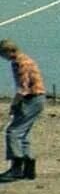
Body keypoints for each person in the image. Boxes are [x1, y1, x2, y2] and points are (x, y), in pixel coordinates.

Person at [0, 39, 45, 183]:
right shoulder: (22, 60)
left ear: (9, 51)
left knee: (13, 132)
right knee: (23, 134)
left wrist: (14, 104)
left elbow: (23, 88)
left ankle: (16, 169)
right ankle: (28, 170)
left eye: (2, 54)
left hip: (32, 99)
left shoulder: (22, 63)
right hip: (34, 99)